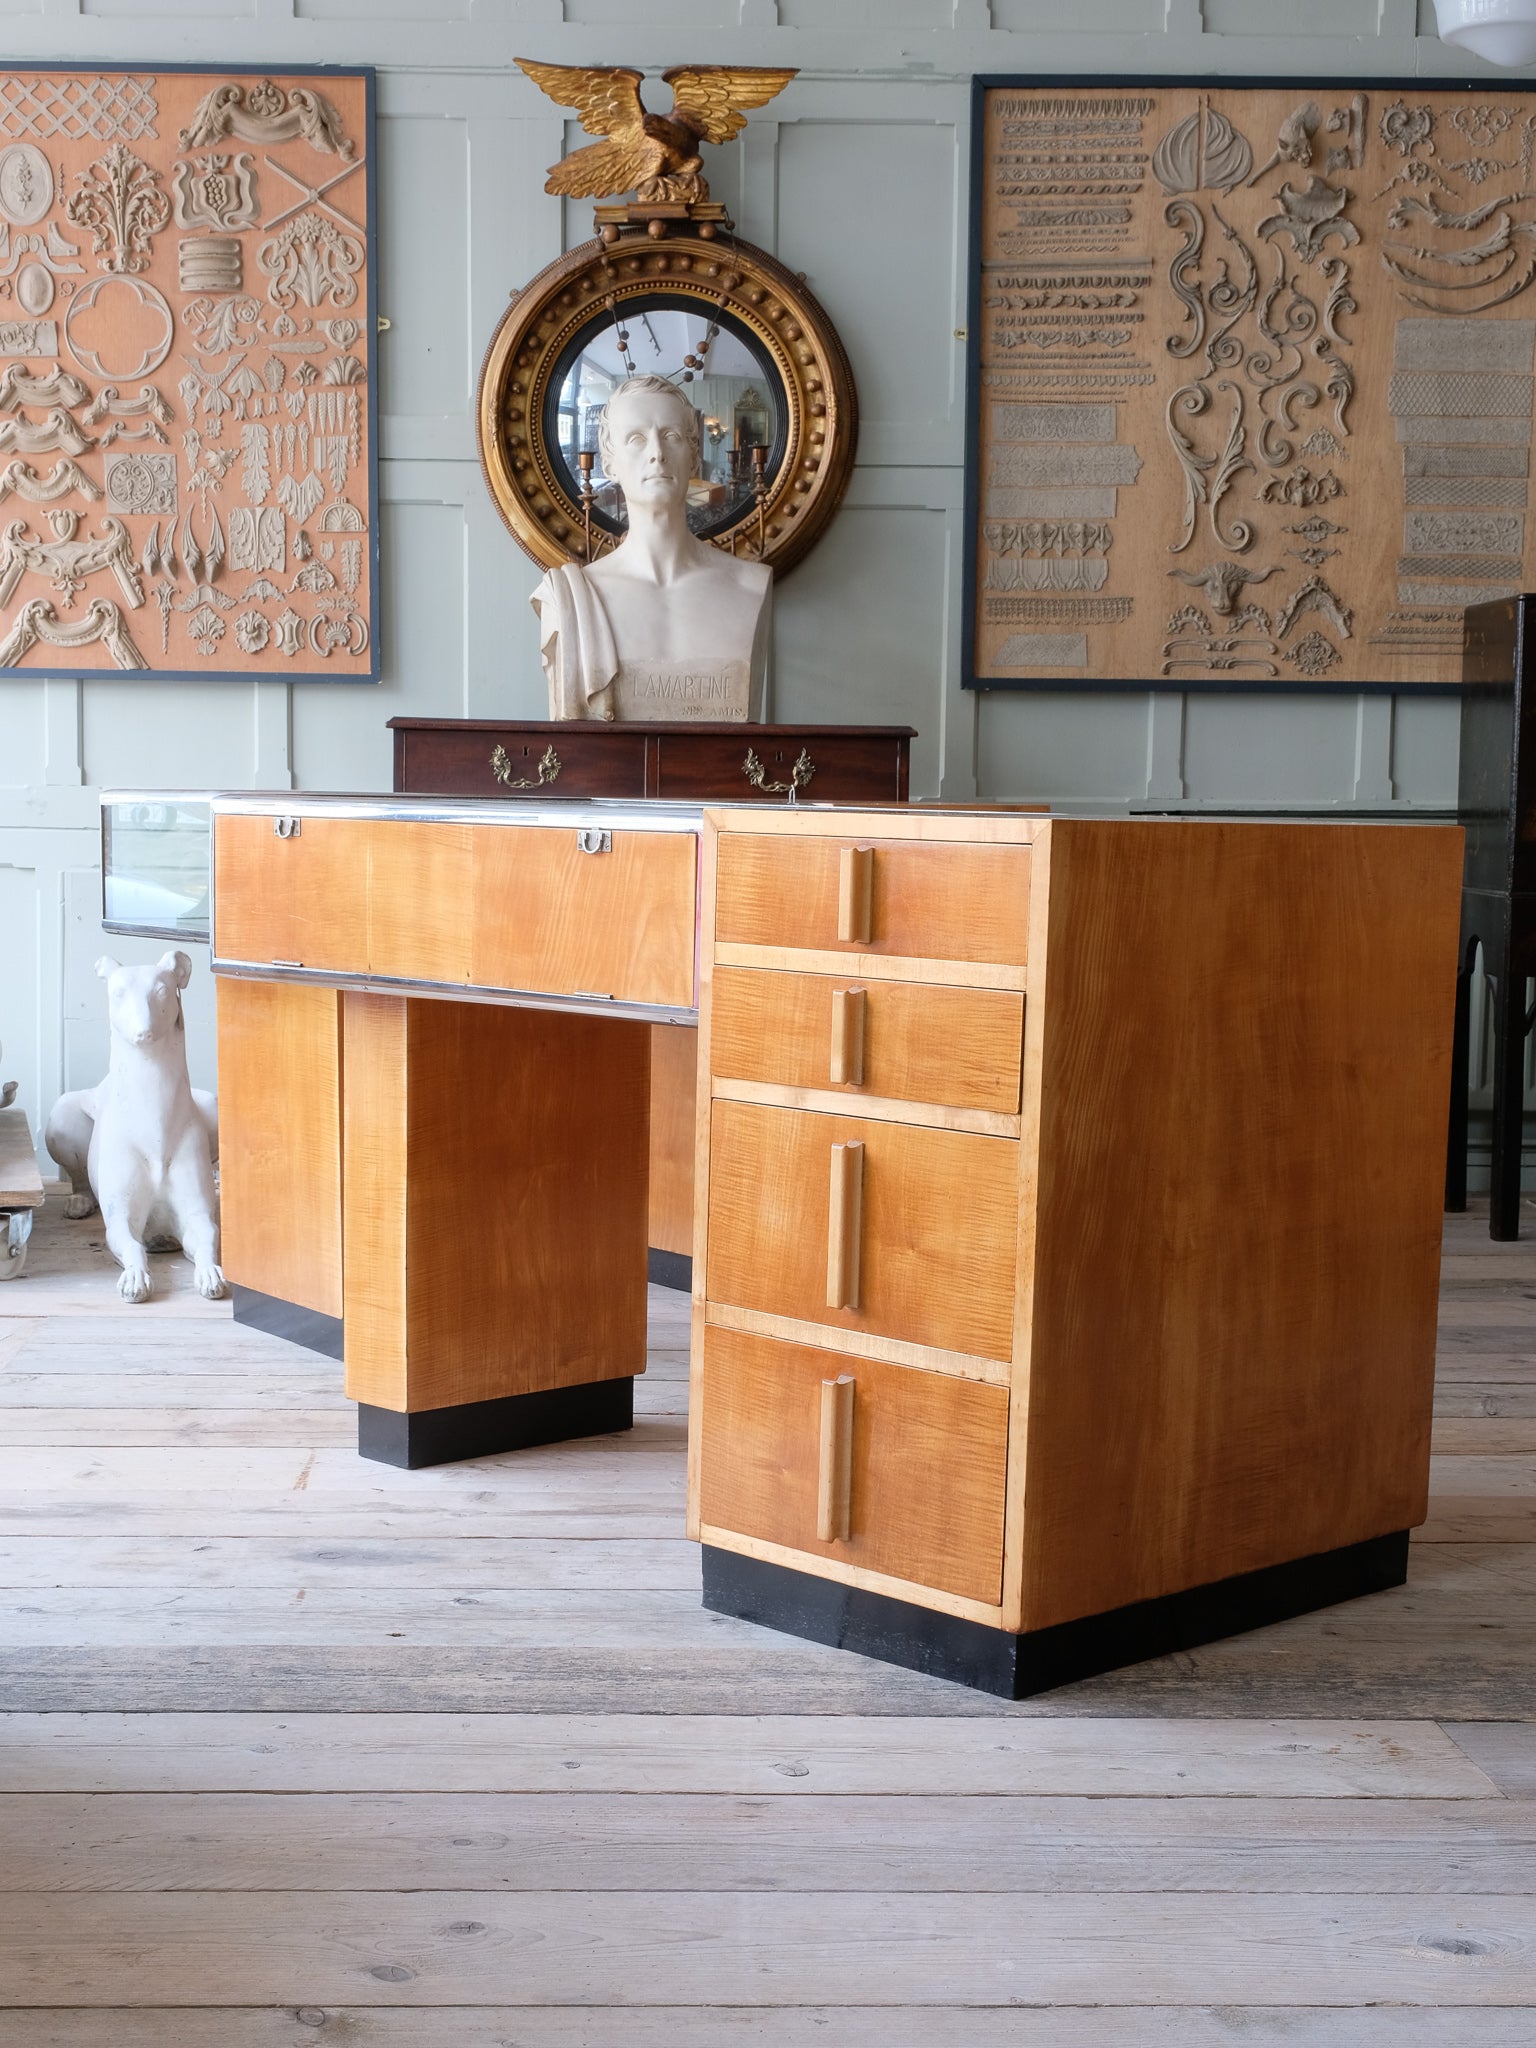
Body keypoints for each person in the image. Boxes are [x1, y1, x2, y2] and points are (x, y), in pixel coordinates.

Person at [531, 373, 772, 721]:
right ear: (609, 464)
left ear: (694, 456)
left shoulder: (750, 585)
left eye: (671, 436)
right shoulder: (572, 600)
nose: (657, 453)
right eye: (637, 439)